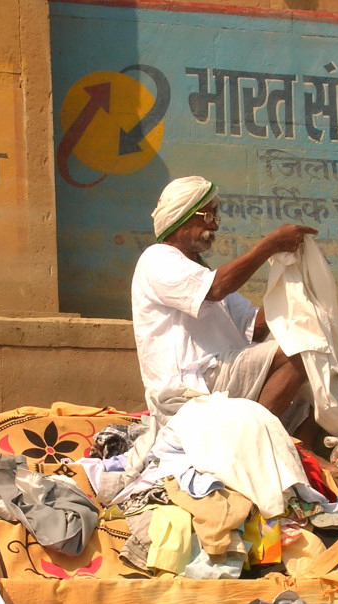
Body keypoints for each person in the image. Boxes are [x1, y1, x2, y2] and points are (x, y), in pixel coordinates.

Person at [131, 176, 319, 428]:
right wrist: (270, 245)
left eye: (215, 219)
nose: (215, 227)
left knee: (312, 381)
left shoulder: (200, 273)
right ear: (182, 215)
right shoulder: (157, 259)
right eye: (208, 217)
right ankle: (254, 437)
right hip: (189, 385)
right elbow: (217, 288)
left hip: (221, 373)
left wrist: (294, 288)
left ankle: (303, 455)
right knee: (299, 350)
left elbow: (256, 328)